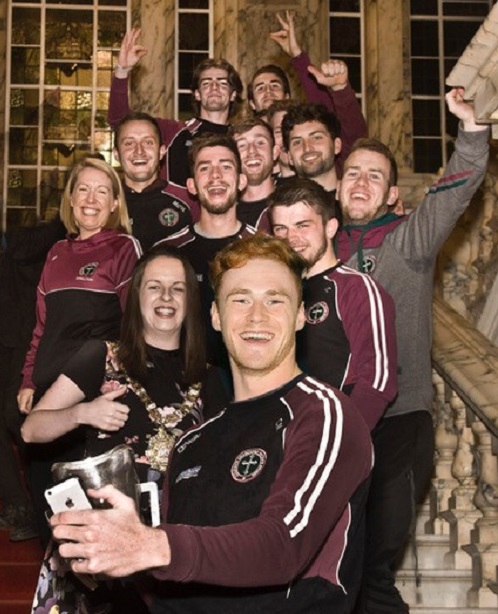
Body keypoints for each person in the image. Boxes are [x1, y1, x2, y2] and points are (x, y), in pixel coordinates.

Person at [50, 234, 373, 614]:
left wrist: (151, 546)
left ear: (301, 315)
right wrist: (108, 548)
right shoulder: (190, 446)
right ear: (217, 317)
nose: (257, 316)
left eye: (275, 299)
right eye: (240, 300)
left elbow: (283, 546)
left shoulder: (323, 412)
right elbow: (167, 581)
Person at [333, 88, 490, 613]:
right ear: (336, 186)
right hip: (335, 425)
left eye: (374, 176)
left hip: (400, 421)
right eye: (353, 172)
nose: (361, 183)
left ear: (391, 193)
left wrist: (470, 133)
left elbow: (453, 192)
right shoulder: (312, 253)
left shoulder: (408, 243)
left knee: (375, 565)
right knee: (335, 565)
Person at [24, 244, 229, 613]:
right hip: (97, 547)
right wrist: (82, 413)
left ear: (190, 301)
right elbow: (32, 429)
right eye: (154, 286)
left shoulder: (211, 377)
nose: (166, 297)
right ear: (136, 297)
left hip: (168, 548)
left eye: (178, 288)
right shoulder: (101, 356)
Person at [17, 157, 142, 544]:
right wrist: (27, 380)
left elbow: (133, 325)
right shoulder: (55, 252)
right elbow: (42, 326)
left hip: (89, 402)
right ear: (70, 200)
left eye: (102, 191)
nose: (91, 199)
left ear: (114, 204)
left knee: (90, 522)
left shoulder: (124, 248)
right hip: (46, 401)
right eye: (83, 189)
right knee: (49, 517)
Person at [269, 176, 397, 431]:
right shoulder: (277, 294)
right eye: (280, 229)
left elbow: (378, 381)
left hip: (335, 438)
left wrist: (341, 440)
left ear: (330, 227)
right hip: (283, 441)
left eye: (302, 225)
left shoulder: (356, 288)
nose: (290, 238)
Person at [154, 133, 255, 366]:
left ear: (241, 180)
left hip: (248, 381)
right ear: (191, 185)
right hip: (182, 383)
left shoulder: (264, 250)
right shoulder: (168, 253)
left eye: (226, 167)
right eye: (205, 168)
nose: (216, 176)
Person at [108, 29, 243, 188]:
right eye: (206, 83)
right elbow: (120, 122)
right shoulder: (172, 131)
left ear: (233, 94)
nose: (214, 87)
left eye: (222, 83)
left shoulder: (243, 139)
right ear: (197, 94)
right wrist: (122, 70)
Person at [113, 112, 197, 249]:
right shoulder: (105, 201)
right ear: (116, 153)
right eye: (129, 143)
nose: (139, 151)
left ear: (162, 151)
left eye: (148, 142)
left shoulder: (189, 200)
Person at [229, 117, 279, 230]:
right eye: (241, 145)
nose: (252, 151)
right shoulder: (225, 213)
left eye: (260, 143)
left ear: (275, 152)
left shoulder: (292, 202)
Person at [282, 103, 343, 194]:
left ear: (337, 146)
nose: (307, 148)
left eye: (316, 138)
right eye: (297, 142)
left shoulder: (358, 203)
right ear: (290, 157)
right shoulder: (280, 207)